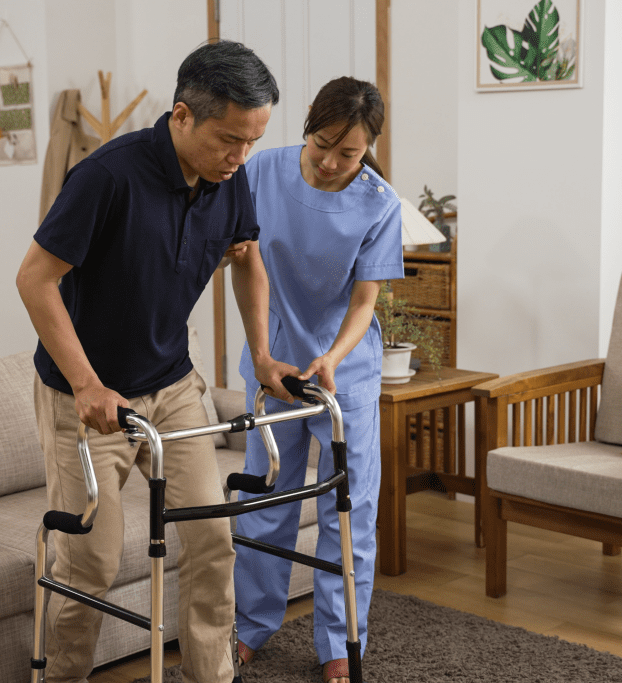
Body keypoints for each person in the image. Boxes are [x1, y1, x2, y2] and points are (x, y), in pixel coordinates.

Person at [16, 40, 298, 683]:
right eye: (230, 138)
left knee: (210, 541)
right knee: (91, 561)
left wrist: (262, 355)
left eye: (252, 141)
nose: (241, 156)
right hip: (85, 401)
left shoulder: (230, 174)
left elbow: (246, 254)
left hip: (172, 388)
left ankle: (212, 676)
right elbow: (35, 279)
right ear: (181, 116)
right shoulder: (106, 177)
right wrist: (87, 383)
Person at [231, 77, 403, 683]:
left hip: (345, 368)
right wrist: (262, 352)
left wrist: (332, 356)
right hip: (275, 363)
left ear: (369, 147)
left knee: (347, 509)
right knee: (263, 496)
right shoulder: (260, 173)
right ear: (306, 125)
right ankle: (249, 625)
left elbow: (365, 300)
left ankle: (340, 640)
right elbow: (242, 261)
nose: (331, 162)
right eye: (322, 144)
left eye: (349, 153)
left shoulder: (380, 202)